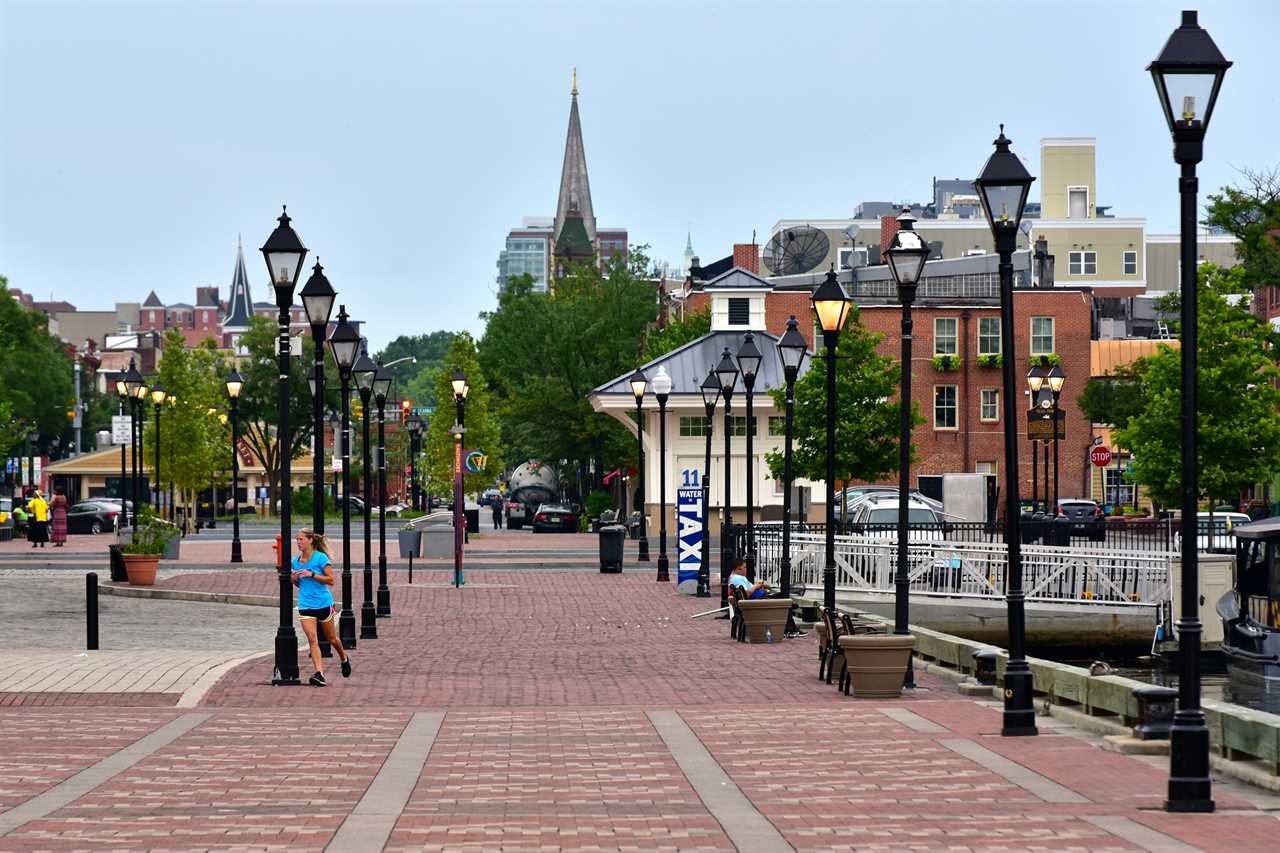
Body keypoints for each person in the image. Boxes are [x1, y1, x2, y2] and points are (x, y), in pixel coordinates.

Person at [291, 528, 351, 687]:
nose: (298, 542)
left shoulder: (320, 558)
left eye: (301, 539)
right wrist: (294, 579)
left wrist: (312, 575)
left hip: (323, 604)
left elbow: (331, 580)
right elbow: (298, 584)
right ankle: (319, 673)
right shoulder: (295, 561)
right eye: (297, 540)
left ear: (310, 540)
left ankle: (344, 658)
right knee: (312, 639)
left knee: (331, 638)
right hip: (305, 604)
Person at [727, 558, 805, 637]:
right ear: (738, 568)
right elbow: (746, 594)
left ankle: (791, 620)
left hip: (756, 600)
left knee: (783, 597)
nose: (746, 569)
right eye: (745, 567)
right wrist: (757, 586)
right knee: (784, 599)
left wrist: (760, 586)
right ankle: (790, 628)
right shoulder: (737, 579)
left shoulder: (735, 577)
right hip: (755, 602)